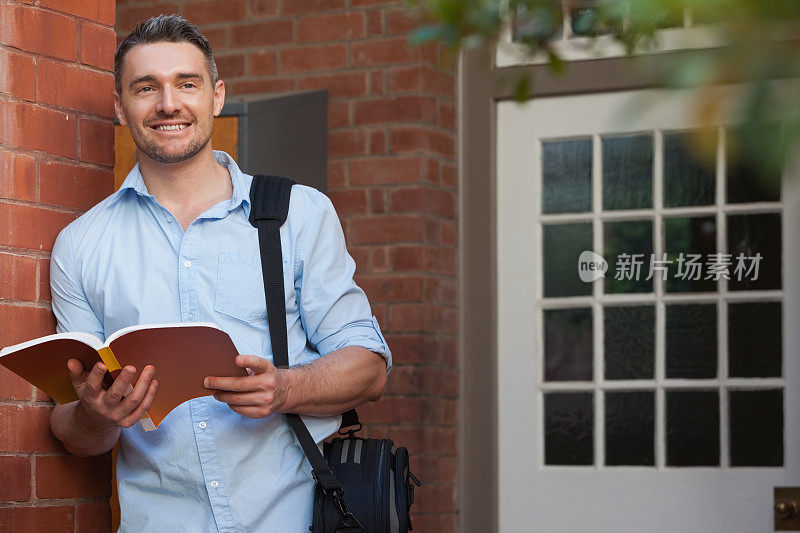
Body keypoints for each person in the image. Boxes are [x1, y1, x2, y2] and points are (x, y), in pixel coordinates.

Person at [48, 14, 391, 532]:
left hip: (292, 520)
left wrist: (287, 388)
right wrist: (95, 415)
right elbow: (74, 433)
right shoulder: (81, 245)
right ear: (120, 108)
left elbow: (370, 368)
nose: (169, 103)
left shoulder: (299, 214)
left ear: (217, 95)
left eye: (187, 83)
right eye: (146, 87)